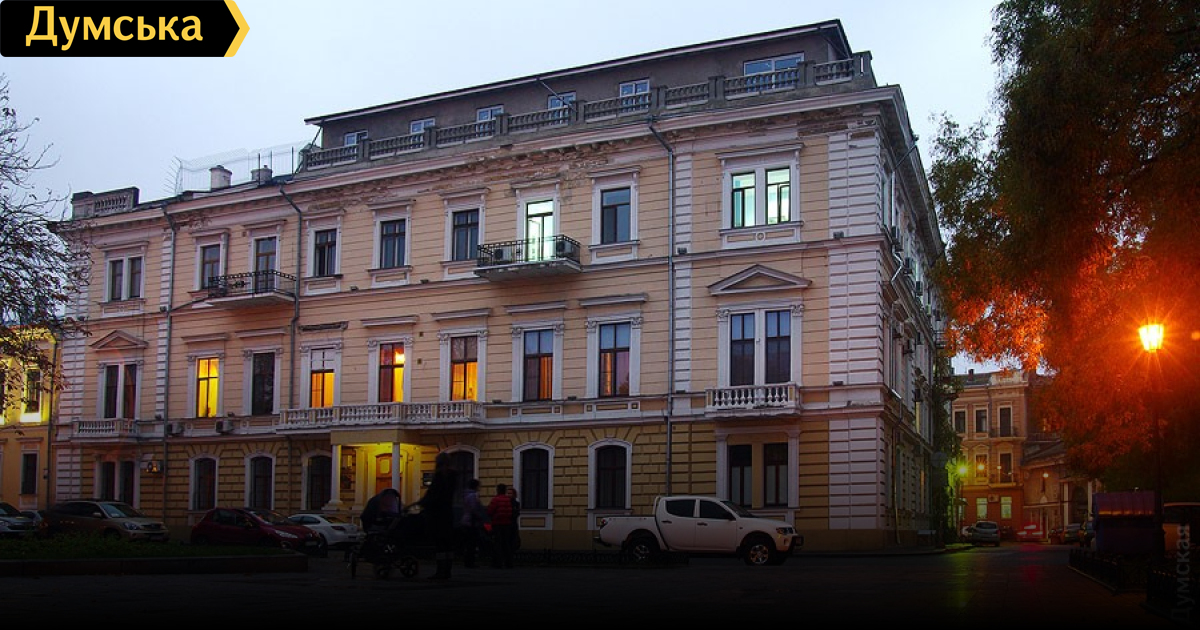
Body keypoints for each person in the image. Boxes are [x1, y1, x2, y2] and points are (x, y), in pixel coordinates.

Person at [416, 452, 458, 579]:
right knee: (448, 544)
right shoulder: (453, 476)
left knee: (440, 544)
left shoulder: (439, 477)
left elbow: (433, 494)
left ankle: (440, 571)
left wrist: (422, 503)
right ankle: (447, 570)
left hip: (437, 515)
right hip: (448, 514)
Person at [459, 478, 486, 568]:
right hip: (471, 522)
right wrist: (480, 516)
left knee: (469, 543)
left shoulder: (466, 495)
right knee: (472, 543)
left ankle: (468, 561)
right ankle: (470, 562)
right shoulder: (473, 495)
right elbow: (474, 509)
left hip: (466, 520)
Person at [487, 483, 515, 569]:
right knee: (506, 544)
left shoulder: (495, 500)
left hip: (497, 524)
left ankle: (497, 563)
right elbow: (511, 511)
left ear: (498, 490)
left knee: (497, 544)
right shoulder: (508, 500)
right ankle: (509, 563)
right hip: (507, 524)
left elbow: (490, 511)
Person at [506, 486, 521, 552]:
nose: (508, 495)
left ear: (514, 494)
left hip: (513, 524)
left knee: (513, 538)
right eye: (508, 493)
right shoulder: (505, 503)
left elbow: (517, 513)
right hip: (506, 524)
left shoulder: (516, 503)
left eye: (510, 493)